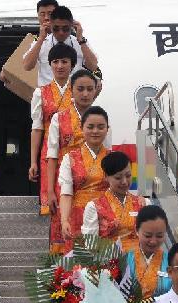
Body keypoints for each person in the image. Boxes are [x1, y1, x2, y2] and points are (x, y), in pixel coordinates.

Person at [29, 43, 77, 216]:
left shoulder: (80, 91)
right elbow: (37, 129)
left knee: (76, 204)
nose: (59, 66)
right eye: (55, 62)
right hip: (50, 153)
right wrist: (33, 161)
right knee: (53, 204)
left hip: (75, 152)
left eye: (64, 61)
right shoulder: (40, 93)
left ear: (72, 64)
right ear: (49, 65)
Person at [58, 106, 110, 252]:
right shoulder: (69, 158)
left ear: (107, 129)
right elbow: (66, 193)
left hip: (106, 215)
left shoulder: (113, 158)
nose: (95, 131)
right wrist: (64, 220)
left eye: (100, 127)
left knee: (107, 263)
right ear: (82, 128)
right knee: (79, 266)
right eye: (90, 127)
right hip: (77, 216)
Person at [81, 151, 149, 253]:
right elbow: (90, 246)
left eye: (128, 175)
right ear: (106, 176)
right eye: (118, 177)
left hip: (139, 263)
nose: (124, 182)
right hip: (110, 263)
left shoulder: (143, 203)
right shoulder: (94, 207)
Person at [23, 5, 98, 87]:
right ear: (50, 25)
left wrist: (80, 39)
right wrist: (41, 39)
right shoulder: (42, 42)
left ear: (72, 26)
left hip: (72, 94)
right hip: (47, 94)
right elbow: (27, 66)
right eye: (56, 28)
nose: (61, 32)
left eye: (65, 28)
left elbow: (93, 66)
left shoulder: (80, 43)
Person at [0, 0, 58, 84]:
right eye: (42, 14)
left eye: (50, 13)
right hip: (46, 93)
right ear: (38, 16)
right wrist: (7, 71)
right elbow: (27, 65)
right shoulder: (37, 41)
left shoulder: (71, 38)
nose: (46, 18)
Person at [123, 205, 172, 300]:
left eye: (159, 236)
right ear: (137, 230)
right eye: (148, 235)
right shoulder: (123, 260)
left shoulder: (172, 262)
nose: (153, 241)